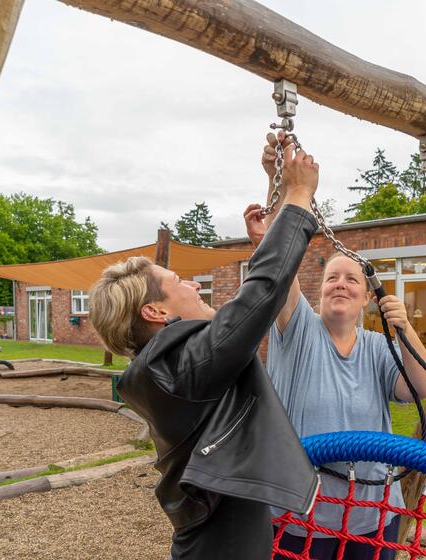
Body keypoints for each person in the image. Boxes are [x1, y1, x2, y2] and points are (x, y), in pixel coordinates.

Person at [88, 135, 321, 560]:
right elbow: (260, 293)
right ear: (155, 312)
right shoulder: (180, 369)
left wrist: (281, 189)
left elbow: (254, 301)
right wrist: (300, 194)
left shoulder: (170, 369)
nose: (194, 285)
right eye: (179, 283)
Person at [244, 137, 426, 560]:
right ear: (318, 293)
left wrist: (405, 329)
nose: (341, 284)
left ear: (367, 298)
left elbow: (422, 388)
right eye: (332, 278)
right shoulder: (297, 330)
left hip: (373, 514)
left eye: (353, 279)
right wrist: (277, 182)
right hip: (301, 515)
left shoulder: (377, 345)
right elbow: (279, 269)